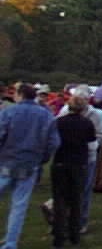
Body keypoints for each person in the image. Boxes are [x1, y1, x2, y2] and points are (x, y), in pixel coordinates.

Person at [0, 83, 60, 249]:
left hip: (7, 161)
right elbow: (53, 142)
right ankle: (11, 243)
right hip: (31, 164)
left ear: (20, 94)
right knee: (19, 205)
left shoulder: (9, 112)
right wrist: (43, 159)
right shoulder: (46, 115)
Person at [57, 85, 102, 234]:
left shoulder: (95, 115)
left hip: (87, 159)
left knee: (84, 190)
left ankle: (80, 221)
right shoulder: (64, 113)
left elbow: (101, 136)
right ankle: (64, 220)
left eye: (83, 99)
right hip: (67, 157)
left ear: (87, 100)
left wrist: (90, 146)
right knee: (66, 189)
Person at [51, 96, 96, 248]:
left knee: (60, 200)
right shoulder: (87, 123)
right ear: (84, 108)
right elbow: (92, 145)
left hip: (60, 163)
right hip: (79, 165)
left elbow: (52, 142)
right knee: (77, 199)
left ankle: (58, 237)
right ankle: (74, 235)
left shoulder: (58, 122)